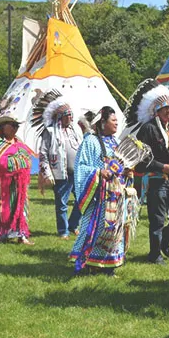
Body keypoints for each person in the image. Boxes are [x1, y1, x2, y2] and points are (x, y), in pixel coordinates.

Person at [124, 79, 169, 264]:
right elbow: (141, 161)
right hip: (156, 179)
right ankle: (155, 254)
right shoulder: (148, 129)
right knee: (157, 219)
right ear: (156, 111)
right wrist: (162, 166)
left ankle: (165, 239)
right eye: (165, 108)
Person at [69, 106, 133, 275]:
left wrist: (126, 172)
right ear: (103, 122)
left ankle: (108, 265)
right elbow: (80, 166)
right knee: (95, 229)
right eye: (113, 120)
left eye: (117, 121)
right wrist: (98, 172)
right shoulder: (90, 141)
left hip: (115, 195)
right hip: (98, 196)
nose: (116, 124)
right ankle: (86, 262)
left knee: (114, 229)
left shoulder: (116, 142)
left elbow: (121, 165)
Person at [32, 90, 83, 239]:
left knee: (82, 200)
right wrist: (46, 172)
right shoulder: (50, 132)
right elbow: (43, 153)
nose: (71, 117)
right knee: (62, 203)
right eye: (68, 115)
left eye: (71, 114)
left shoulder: (76, 131)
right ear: (60, 117)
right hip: (61, 173)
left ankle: (73, 225)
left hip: (78, 172)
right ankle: (63, 231)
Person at [0, 114, 34, 244]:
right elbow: (1, 162)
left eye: (17, 126)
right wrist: (20, 161)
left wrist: (17, 162)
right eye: (12, 125)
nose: (15, 128)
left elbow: (28, 158)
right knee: (2, 209)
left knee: (20, 207)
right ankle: (0, 234)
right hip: (1, 185)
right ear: (4, 126)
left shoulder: (18, 141)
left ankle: (21, 235)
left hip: (19, 184)